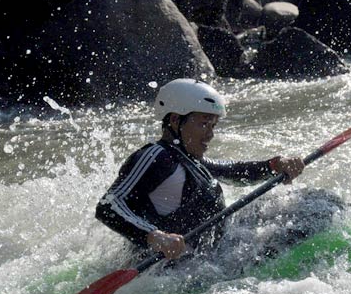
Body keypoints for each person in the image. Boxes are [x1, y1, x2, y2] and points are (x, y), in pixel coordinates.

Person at [96, 78, 305, 260]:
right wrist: (154, 237)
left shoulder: (190, 160)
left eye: (213, 126)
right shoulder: (156, 157)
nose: (210, 134)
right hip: (173, 271)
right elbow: (109, 206)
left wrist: (274, 165)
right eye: (204, 124)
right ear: (176, 120)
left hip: (210, 258)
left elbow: (234, 171)